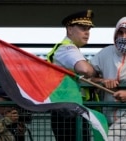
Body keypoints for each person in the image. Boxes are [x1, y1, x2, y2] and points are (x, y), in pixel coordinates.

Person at [47, 9, 96, 141]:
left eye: (89, 29)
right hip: (68, 111)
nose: (87, 32)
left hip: (70, 108)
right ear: (69, 29)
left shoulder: (70, 48)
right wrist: (95, 71)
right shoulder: (67, 49)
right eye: (82, 28)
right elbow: (85, 69)